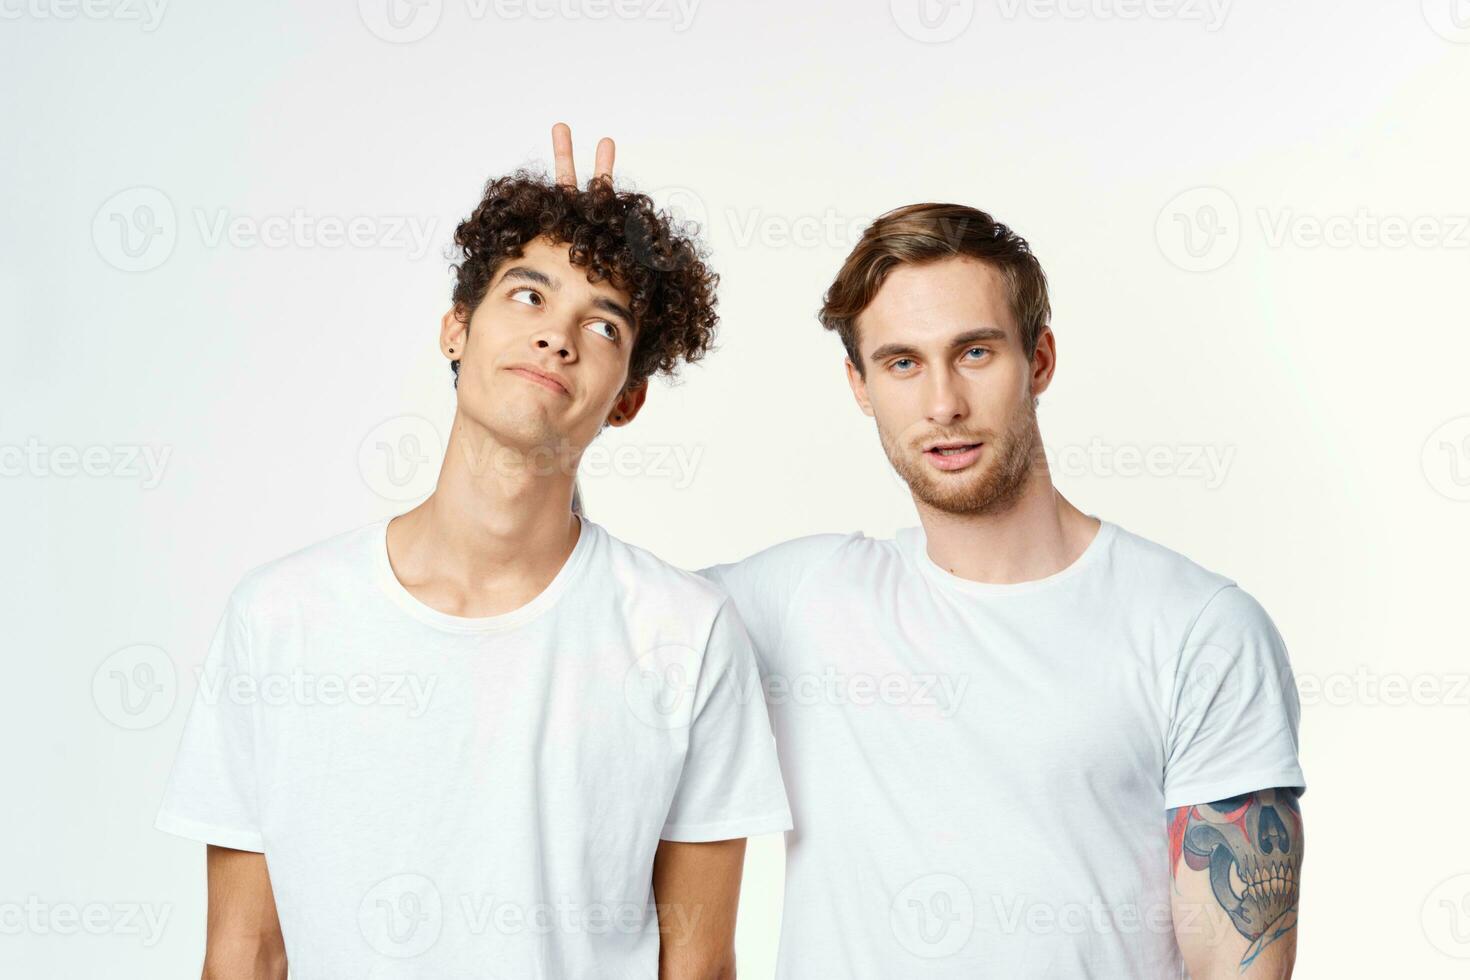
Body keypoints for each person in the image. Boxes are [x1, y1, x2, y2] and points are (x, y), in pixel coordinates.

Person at [156, 126, 790, 979]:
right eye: (529, 296)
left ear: (628, 399)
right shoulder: (280, 619)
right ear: (456, 329)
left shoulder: (688, 633)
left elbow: (701, 965)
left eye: (602, 326)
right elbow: (244, 953)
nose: (557, 338)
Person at [700, 202, 1305, 978]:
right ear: (859, 385)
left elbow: (1238, 967)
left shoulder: (1198, 629)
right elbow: (557, 592)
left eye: (975, 352)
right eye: (902, 363)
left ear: (1040, 359)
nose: (943, 403)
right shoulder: (799, 603)